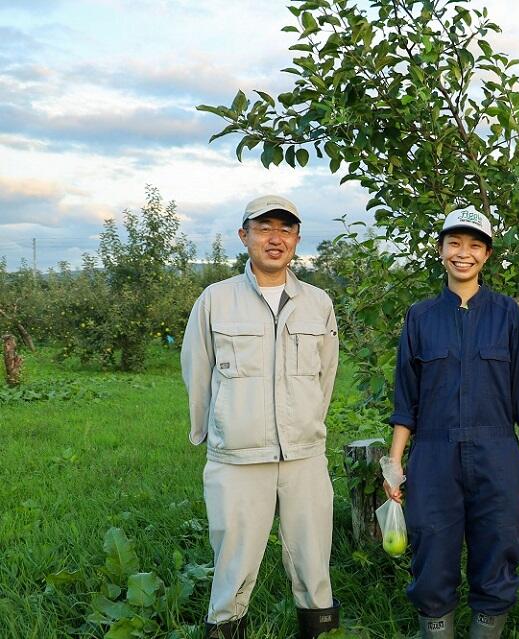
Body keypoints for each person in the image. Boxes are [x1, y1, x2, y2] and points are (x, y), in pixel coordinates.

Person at [384, 208, 519, 638]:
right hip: (434, 452)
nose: (464, 253)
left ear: (487, 254)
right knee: (431, 544)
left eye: (475, 245)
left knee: (498, 542)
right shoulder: (420, 316)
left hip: (496, 451)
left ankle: (487, 628)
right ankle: (436, 627)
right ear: (440, 251)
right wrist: (395, 462)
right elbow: (407, 398)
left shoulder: (507, 314)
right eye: (455, 243)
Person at [181, 195, 341, 639]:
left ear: (296, 239)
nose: (276, 238)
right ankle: (226, 628)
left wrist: (306, 426)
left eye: (285, 230)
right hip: (237, 456)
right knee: (233, 560)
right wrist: (210, 433)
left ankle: (320, 629)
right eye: (264, 227)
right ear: (244, 236)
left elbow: (325, 375)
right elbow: (197, 371)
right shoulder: (215, 300)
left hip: (304, 457)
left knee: (313, 560)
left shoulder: (317, 302)